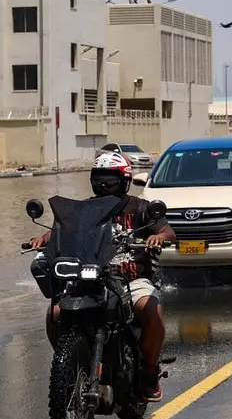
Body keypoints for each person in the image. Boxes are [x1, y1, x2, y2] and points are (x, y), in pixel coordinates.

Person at [29, 152, 176, 402]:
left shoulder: (140, 207)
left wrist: (158, 238)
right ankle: (69, 367)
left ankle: (150, 372)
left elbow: (167, 231)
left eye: (110, 179)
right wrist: (44, 239)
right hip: (90, 277)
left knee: (150, 308)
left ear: (125, 180)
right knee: (55, 313)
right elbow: (61, 232)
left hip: (131, 278)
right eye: (99, 178)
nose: (104, 184)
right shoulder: (83, 210)